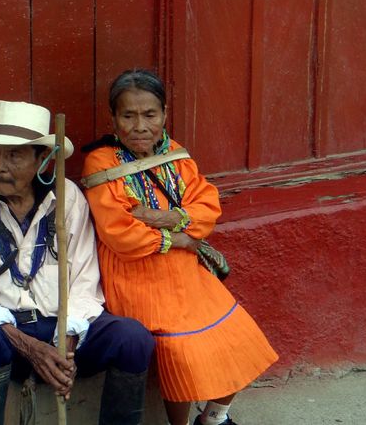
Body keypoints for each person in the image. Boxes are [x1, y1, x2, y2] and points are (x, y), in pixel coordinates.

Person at [0, 100, 155, 425]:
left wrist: (65, 343)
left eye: (14, 155)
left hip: (64, 328)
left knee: (133, 338)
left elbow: (84, 280)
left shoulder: (66, 198)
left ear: (43, 160)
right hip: (6, 335)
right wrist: (34, 350)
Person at [81, 70, 278, 425]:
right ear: (113, 119)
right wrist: (180, 233)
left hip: (185, 267)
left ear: (165, 115)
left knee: (239, 336)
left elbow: (208, 210)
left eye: (150, 115)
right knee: (180, 348)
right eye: (128, 116)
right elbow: (120, 234)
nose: (140, 125)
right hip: (136, 273)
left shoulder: (175, 155)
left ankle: (214, 418)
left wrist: (155, 216)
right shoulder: (101, 162)